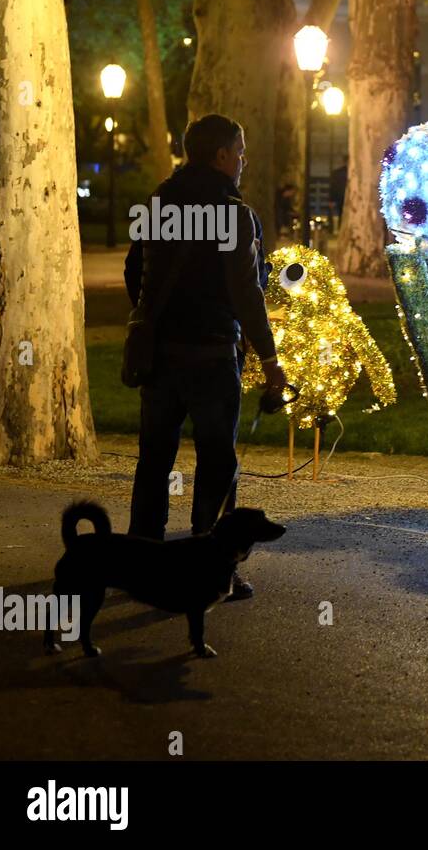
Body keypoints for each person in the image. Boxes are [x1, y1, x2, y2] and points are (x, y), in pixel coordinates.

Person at [124, 114, 288, 601]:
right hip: (213, 354)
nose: (243, 160)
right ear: (220, 156)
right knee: (217, 461)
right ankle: (214, 565)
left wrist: (151, 317)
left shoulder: (159, 201)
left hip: (161, 354)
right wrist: (270, 359)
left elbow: (136, 269)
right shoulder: (235, 215)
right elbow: (248, 294)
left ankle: (140, 560)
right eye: (239, 151)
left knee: (155, 459)